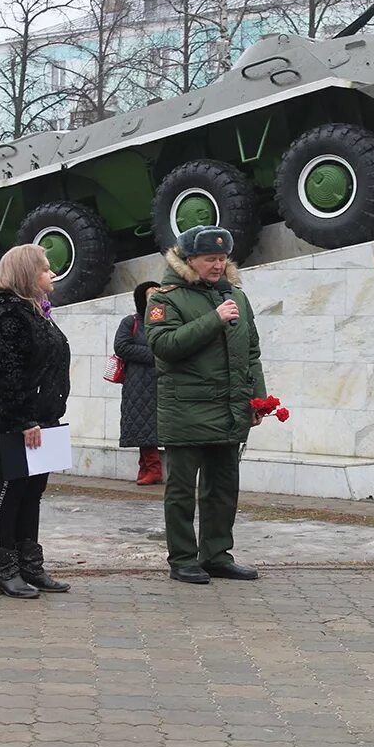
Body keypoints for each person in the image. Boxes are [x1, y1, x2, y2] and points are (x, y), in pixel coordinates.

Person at [145, 225, 266, 584]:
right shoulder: (164, 298)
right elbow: (164, 346)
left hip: (229, 409)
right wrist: (213, 320)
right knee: (182, 491)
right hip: (186, 410)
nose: (218, 265)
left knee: (223, 488)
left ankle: (217, 555)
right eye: (209, 259)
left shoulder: (236, 297)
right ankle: (182, 559)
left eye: (222, 258)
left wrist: (257, 399)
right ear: (188, 260)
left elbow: (252, 352)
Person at [0, 244, 71, 599]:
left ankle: (30, 565)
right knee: (10, 489)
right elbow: (2, 377)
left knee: (32, 492)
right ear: (28, 275)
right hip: (14, 420)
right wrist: (22, 420)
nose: (52, 274)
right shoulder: (9, 316)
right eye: (45, 269)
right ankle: (4, 570)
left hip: (41, 418)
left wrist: (46, 415)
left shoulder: (38, 311)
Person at [114, 280, 162, 485]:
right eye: (149, 294)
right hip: (137, 383)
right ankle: (147, 467)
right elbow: (122, 347)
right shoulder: (130, 322)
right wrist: (155, 354)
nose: (153, 298)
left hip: (158, 383)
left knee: (149, 425)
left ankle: (152, 469)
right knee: (140, 424)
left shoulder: (165, 321)